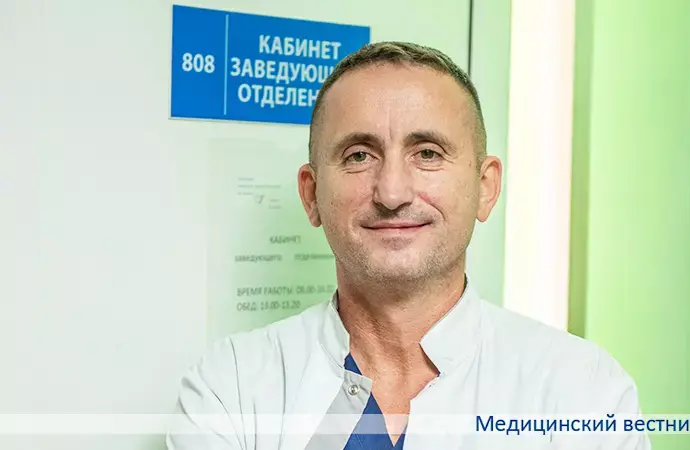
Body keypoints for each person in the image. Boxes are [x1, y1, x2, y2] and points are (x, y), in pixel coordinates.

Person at [167, 42, 649, 449]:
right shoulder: (231, 387)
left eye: (428, 153)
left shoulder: (583, 392)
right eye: (359, 155)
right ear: (312, 196)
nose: (392, 192)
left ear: (485, 188)